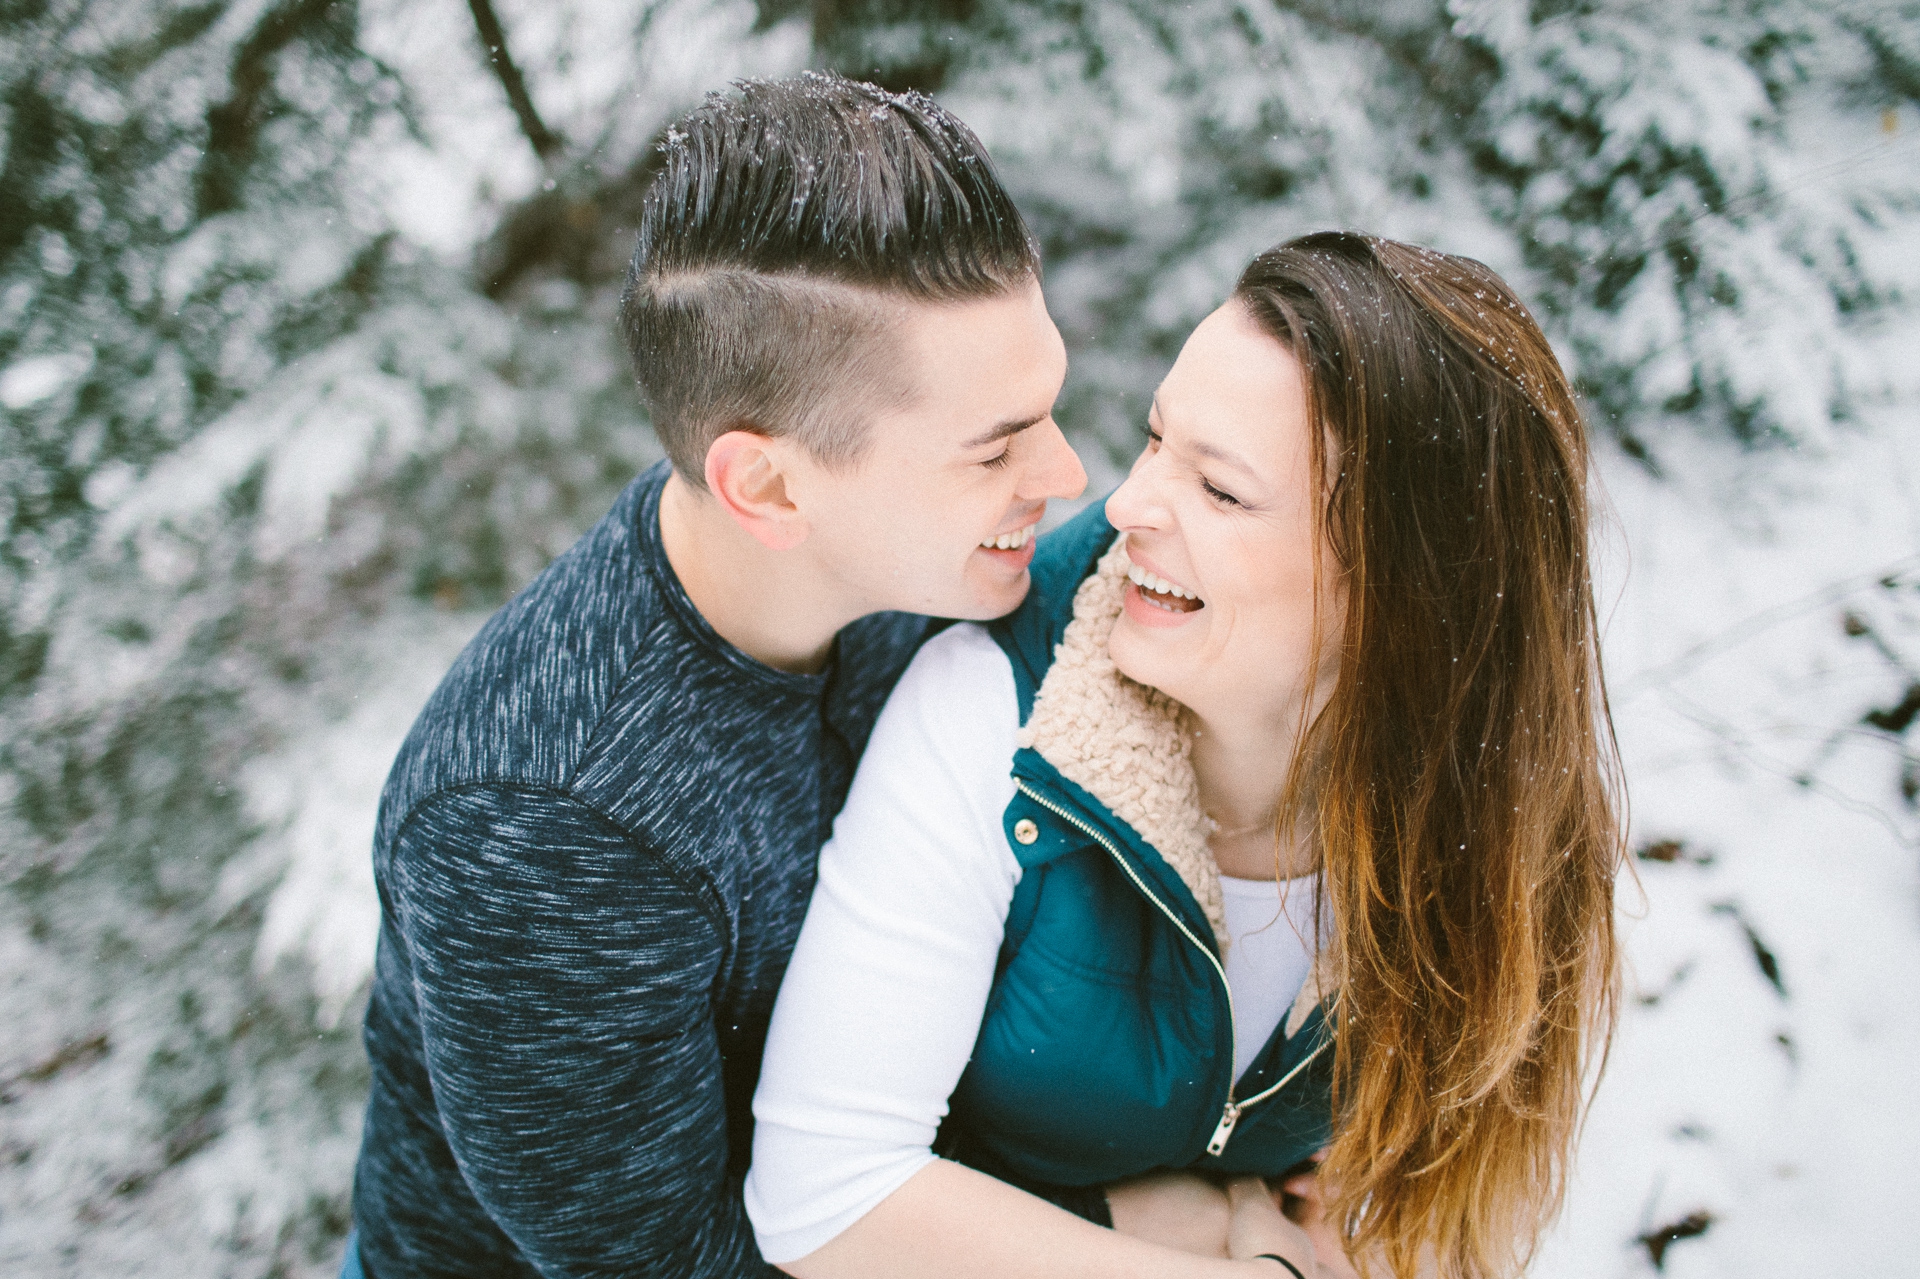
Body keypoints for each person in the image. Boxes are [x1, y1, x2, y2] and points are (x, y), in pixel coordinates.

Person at [745, 232, 1626, 1279]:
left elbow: (1449, 1204)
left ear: (1397, 589)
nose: (1126, 506)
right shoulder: (997, 717)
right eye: (1156, 441)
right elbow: (823, 1195)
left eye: (1220, 491)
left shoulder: (1499, 806)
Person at [342, 74, 1090, 1279]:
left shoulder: (918, 572)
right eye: (996, 444)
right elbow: (676, 1267)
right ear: (772, 488)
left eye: (1045, 409)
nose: (1065, 472)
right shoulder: (543, 826)